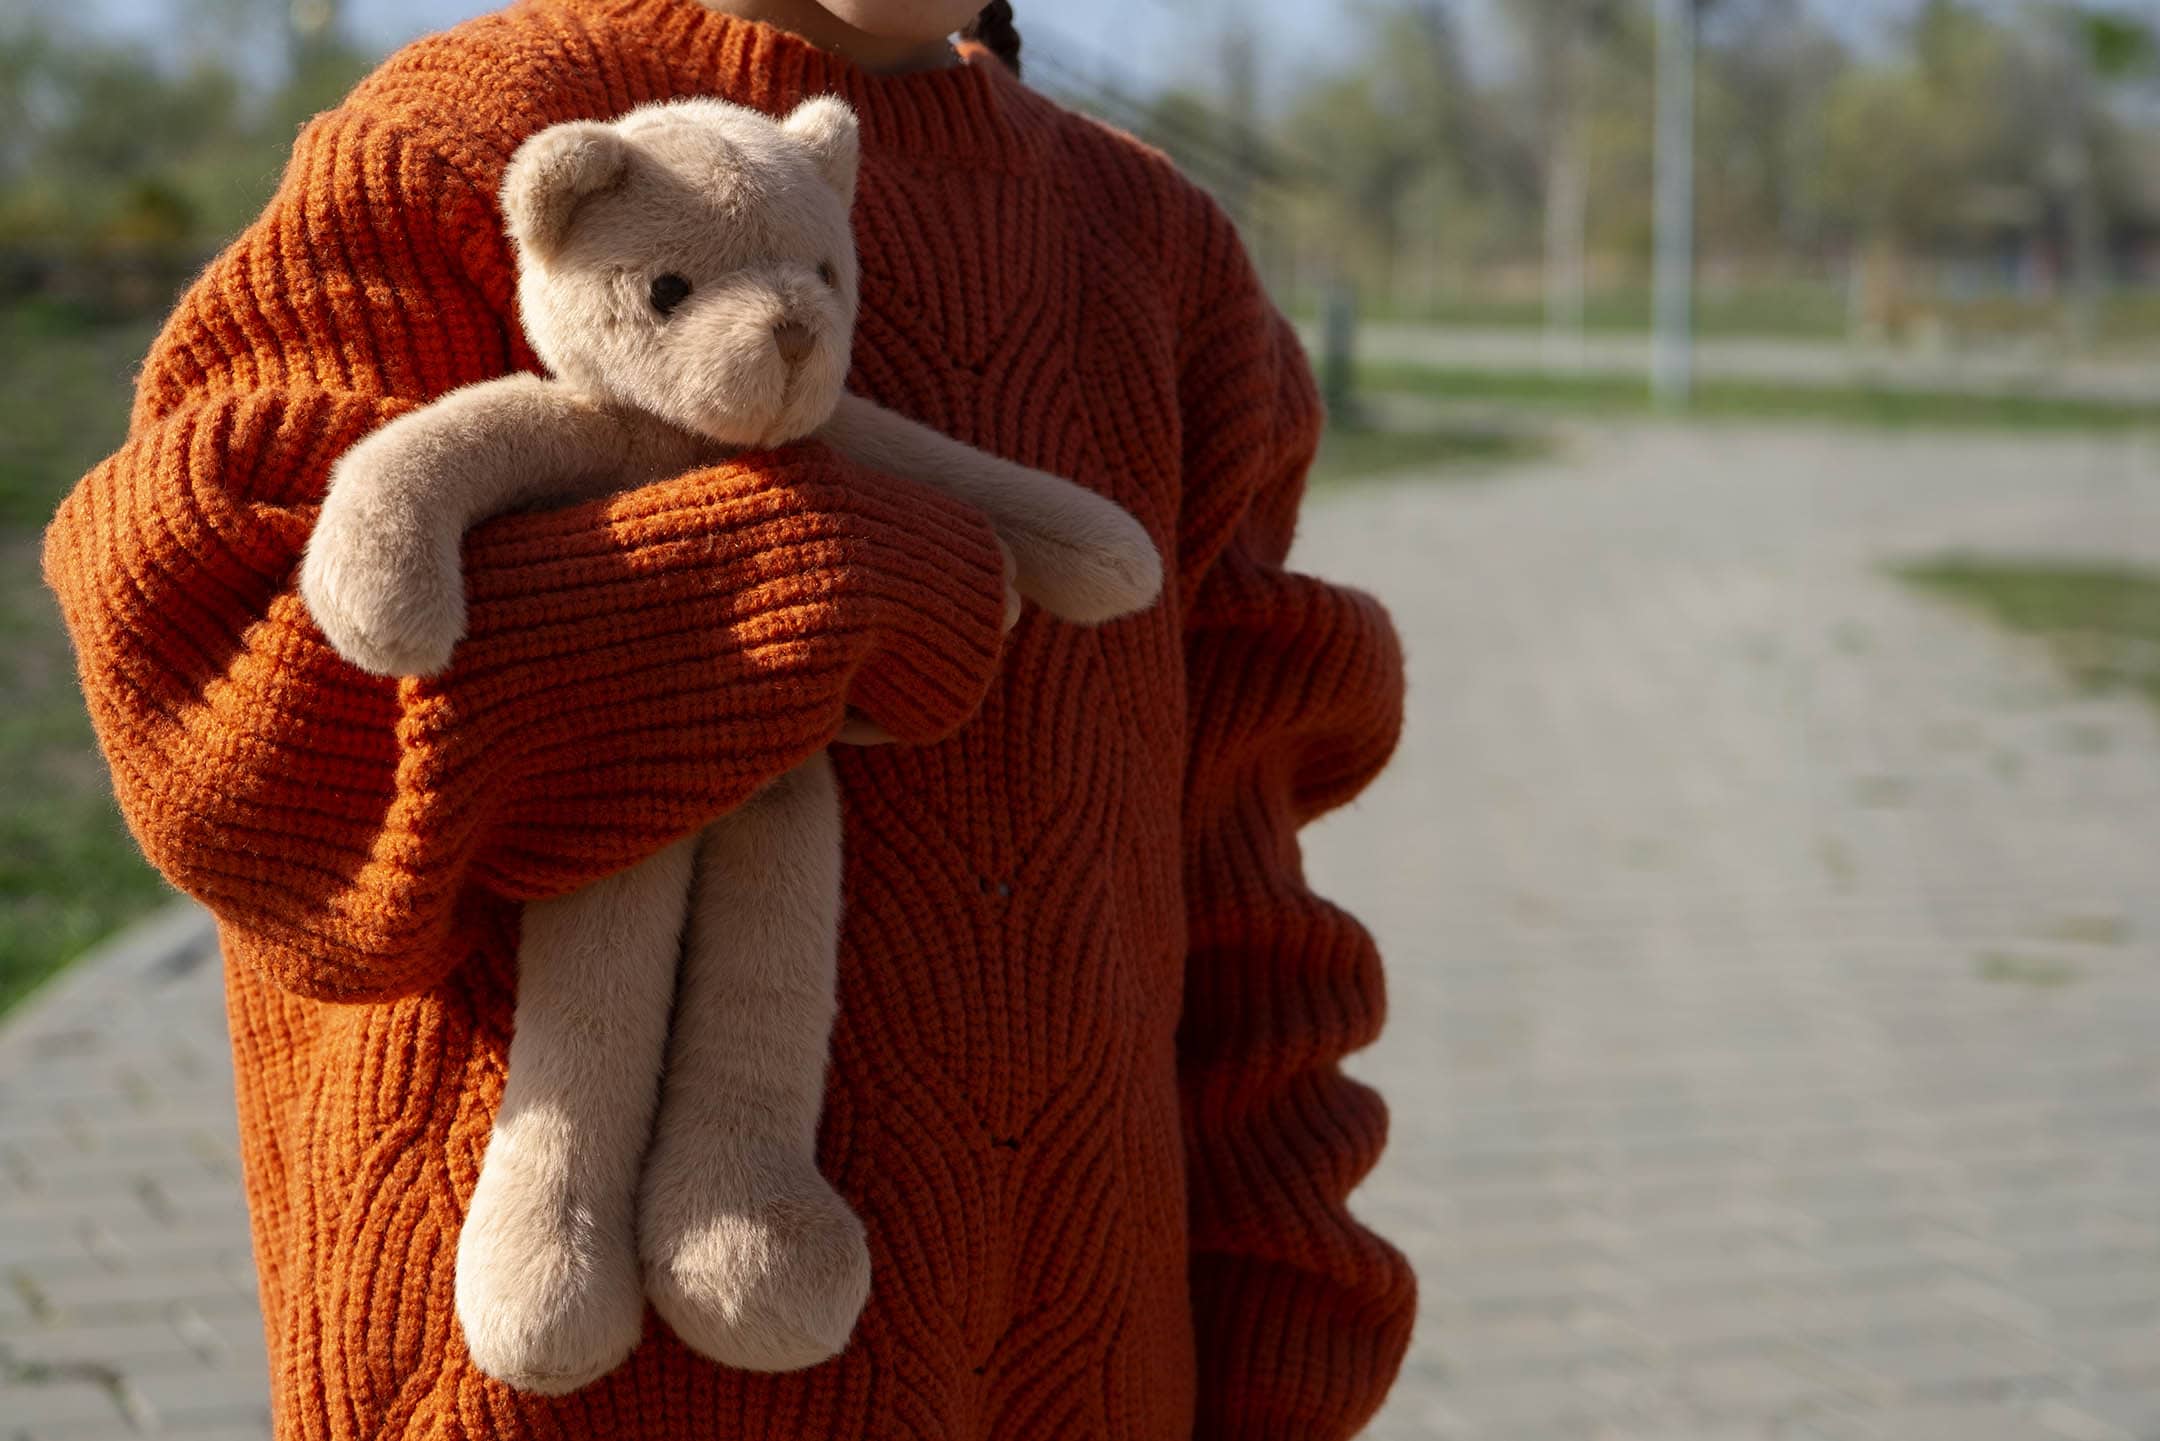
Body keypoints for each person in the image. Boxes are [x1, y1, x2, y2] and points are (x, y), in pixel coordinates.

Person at [41, 0, 1413, 1435]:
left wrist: (1282, 1330)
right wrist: (787, 594)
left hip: (1071, 1375)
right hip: (567, 1388)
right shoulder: (466, 141)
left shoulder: (1159, 254)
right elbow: (228, 712)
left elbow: (1237, 903)